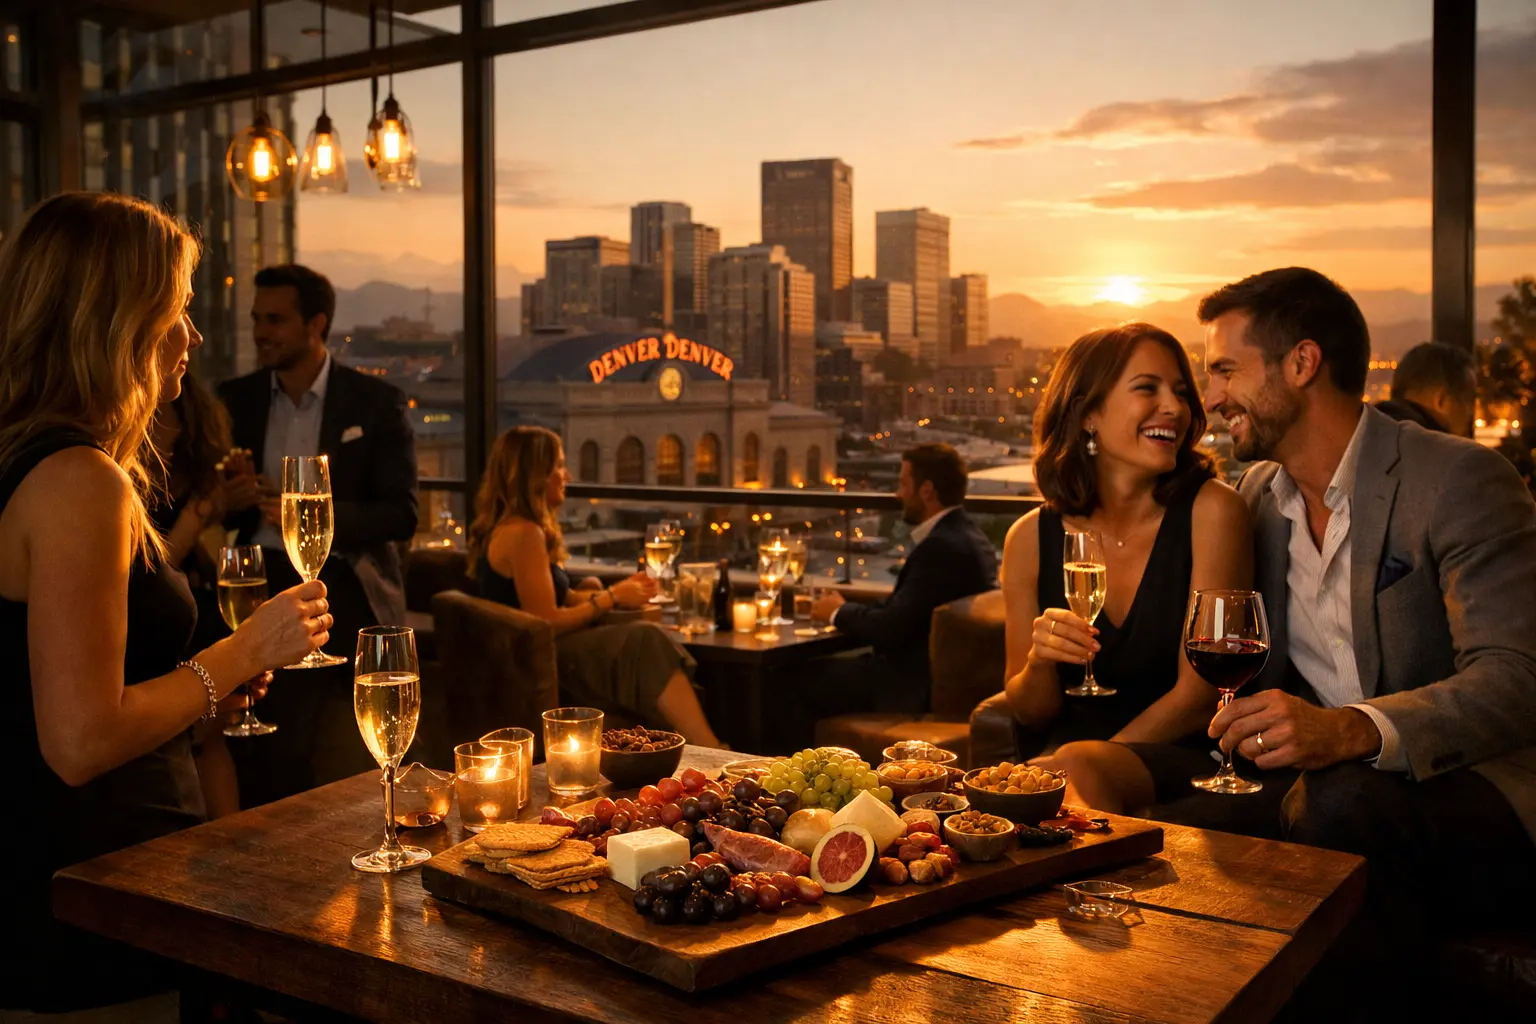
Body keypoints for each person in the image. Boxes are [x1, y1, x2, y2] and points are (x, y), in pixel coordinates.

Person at [0, 192, 329, 1012]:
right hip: (91, 907)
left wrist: (192, 690)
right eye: (178, 310)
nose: (195, 335)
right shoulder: (79, 481)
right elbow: (78, 739)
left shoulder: (35, 458)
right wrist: (240, 654)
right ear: (118, 320)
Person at [1193, 266, 1536, 1008]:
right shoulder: (1255, 498)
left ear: (1302, 363)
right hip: (1327, 788)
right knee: (1180, 805)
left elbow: (1515, 678)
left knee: (1341, 801)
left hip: (1475, 791)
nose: (1211, 398)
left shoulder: (1459, 479)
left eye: (1224, 369)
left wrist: (1350, 732)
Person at [998, 323, 1252, 814]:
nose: (1175, 408)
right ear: (1089, 412)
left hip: (1173, 757)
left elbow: (1198, 696)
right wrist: (1041, 661)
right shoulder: (1029, 537)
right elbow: (1030, 712)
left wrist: (1087, 762)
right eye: (1147, 388)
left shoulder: (1214, 512)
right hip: (1055, 762)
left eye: (1180, 392)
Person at [219, 263, 418, 803]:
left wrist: (314, 516)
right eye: (258, 318)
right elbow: (208, 496)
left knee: (317, 636)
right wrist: (230, 497)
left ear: (316, 325)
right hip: (255, 571)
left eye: (276, 320)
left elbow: (401, 514)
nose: (261, 332)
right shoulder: (233, 401)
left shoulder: (374, 404)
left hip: (343, 572)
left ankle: (301, 800)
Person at [469, 426, 723, 747]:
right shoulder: (524, 534)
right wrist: (611, 597)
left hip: (536, 657)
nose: (567, 474)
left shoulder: (510, 527)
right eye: (559, 466)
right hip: (543, 664)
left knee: (642, 637)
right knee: (644, 640)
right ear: (535, 474)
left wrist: (602, 593)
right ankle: (711, 747)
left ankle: (687, 745)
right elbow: (545, 620)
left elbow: (549, 597)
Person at [809, 443, 999, 715]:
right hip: (938, 678)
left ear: (927, 490)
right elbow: (909, 608)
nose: (898, 494)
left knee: (791, 678)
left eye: (903, 484)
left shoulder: (941, 547)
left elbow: (892, 628)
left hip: (911, 685)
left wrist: (837, 612)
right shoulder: (971, 538)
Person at [150, 371, 263, 819]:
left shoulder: (193, 482)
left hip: (196, 623)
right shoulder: (125, 486)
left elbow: (220, 567)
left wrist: (229, 503)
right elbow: (157, 569)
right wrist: (206, 509)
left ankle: (226, 848)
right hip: (160, 629)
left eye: (164, 418)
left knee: (210, 741)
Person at [1376, 340, 1477, 437]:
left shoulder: (1369, 433)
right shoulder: (1438, 450)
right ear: (1441, 401)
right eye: (1468, 401)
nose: (1471, 412)